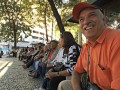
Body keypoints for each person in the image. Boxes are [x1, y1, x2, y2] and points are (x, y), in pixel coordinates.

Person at [58, 2, 120, 90]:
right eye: (81, 19)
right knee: (63, 85)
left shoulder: (116, 40)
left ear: (104, 19)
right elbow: (76, 71)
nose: (86, 22)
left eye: (92, 15)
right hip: (91, 86)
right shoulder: (86, 47)